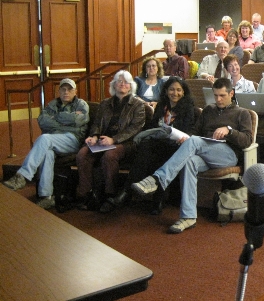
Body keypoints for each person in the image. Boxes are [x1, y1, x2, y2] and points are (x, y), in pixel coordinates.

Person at [131, 78, 253, 234]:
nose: (218, 99)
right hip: (205, 151)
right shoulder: (209, 110)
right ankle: (188, 216)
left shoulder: (242, 113)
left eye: (222, 95)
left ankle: (158, 179)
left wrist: (230, 131)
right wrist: (185, 138)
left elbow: (247, 141)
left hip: (227, 155)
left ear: (231, 93)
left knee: (194, 142)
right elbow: (195, 133)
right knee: (190, 161)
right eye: (215, 95)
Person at [100, 77, 195, 214]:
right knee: (145, 148)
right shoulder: (162, 105)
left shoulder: (188, 107)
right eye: (172, 89)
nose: (175, 93)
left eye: (179, 90)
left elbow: (189, 129)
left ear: (184, 92)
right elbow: (152, 125)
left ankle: (151, 198)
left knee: (161, 155)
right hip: (159, 141)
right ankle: (129, 192)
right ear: (166, 91)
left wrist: (181, 137)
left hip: (176, 145)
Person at [2, 78, 89, 209]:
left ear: (75, 91)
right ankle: (46, 196)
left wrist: (57, 118)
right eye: (63, 89)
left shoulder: (81, 104)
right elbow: (42, 120)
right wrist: (68, 119)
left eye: (70, 89)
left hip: (73, 139)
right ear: (58, 91)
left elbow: (79, 120)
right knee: (47, 153)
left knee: (44, 139)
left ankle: (23, 176)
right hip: (54, 139)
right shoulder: (53, 104)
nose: (66, 92)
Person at [76, 70, 145, 211]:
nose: (122, 84)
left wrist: (113, 140)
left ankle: (109, 195)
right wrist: (94, 136)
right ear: (113, 84)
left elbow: (134, 129)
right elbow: (96, 124)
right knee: (82, 154)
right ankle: (86, 194)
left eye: (126, 82)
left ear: (131, 85)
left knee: (110, 156)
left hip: (125, 143)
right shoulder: (105, 103)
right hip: (102, 141)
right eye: (119, 81)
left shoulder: (138, 105)